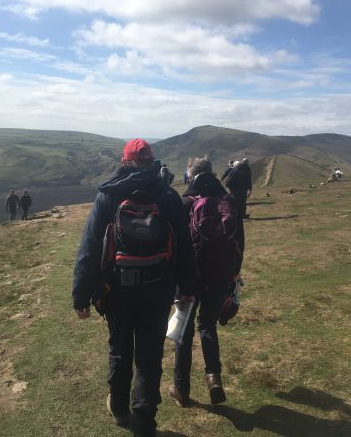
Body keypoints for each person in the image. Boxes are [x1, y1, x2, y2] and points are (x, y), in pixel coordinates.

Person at [72, 139, 196, 437]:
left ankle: (118, 408)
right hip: (157, 289)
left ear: (124, 161)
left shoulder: (108, 195)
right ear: (152, 162)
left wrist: (80, 296)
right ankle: (144, 424)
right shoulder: (168, 196)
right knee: (149, 357)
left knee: (120, 351)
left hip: (115, 289)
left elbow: (89, 247)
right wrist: (188, 288)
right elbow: (185, 247)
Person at [168, 158, 244, 408]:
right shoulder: (228, 203)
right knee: (208, 326)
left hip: (190, 280)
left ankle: (181, 388)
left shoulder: (185, 203)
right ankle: (213, 378)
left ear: (191, 175)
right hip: (220, 278)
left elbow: (176, 246)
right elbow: (239, 244)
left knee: (184, 334)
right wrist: (233, 275)